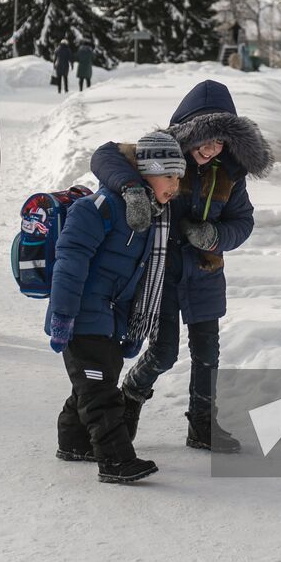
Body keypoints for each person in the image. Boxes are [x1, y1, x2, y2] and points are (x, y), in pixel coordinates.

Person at [90, 79, 272, 452]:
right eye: (205, 137)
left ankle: (202, 425)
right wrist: (132, 189)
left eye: (220, 140)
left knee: (208, 354)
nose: (211, 148)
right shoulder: (159, 156)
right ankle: (131, 397)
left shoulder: (229, 176)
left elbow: (243, 222)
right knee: (164, 351)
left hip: (205, 273)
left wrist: (213, 237)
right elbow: (104, 155)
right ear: (188, 134)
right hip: (161, 274)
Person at [48, 130, 187, 484]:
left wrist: (128, 327)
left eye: (178, 177)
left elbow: (132, 282)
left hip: (107, 319)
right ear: (146, 173)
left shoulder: (151, 220)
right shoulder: (99, 208)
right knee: (101, 393)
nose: (175, 185)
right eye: (168, 175)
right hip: (82, 315)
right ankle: (115, 460)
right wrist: (63, 315)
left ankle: (73, 441)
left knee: (93, 383)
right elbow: (69, 261)